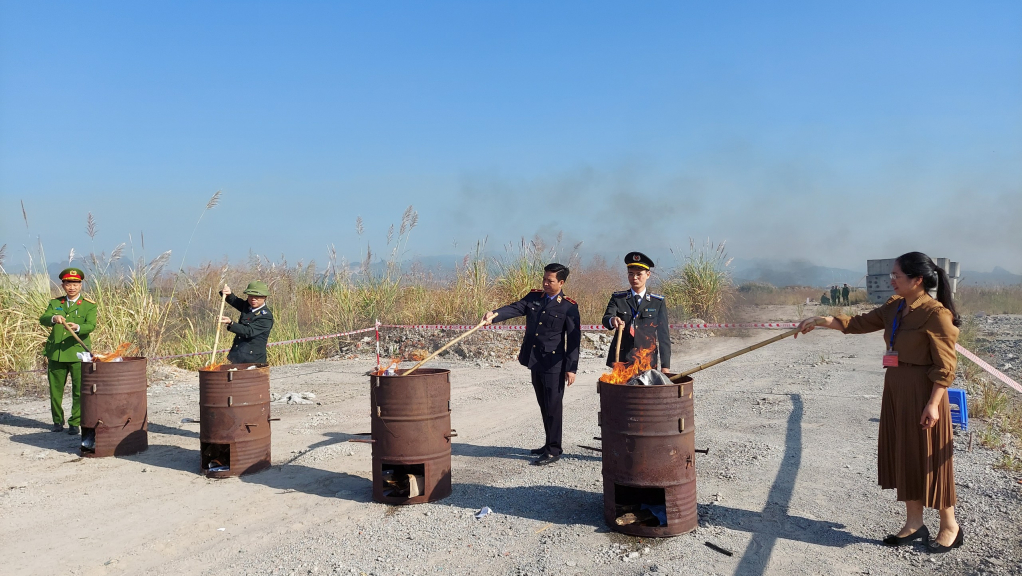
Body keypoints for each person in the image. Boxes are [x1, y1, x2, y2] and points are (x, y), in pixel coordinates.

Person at [796, 252, 963, 552]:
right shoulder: (894, 307)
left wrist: (934, 404)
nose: (891, 280)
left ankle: (950, 526)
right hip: (896, 389)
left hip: (924, 393)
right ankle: (914, 523)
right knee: (905, 453)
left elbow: (945, 366)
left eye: (897, 275)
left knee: (931, 459)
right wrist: (821, 321)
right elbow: (857, 323)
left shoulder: (936, 314)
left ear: (917, 280)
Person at [482, 263, 581, 466]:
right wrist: (495, 314)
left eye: (550, 280)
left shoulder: (568, 306)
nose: (545, 283)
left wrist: (572, 368)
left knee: (553, 406)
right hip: (535, 359)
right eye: (544, 279)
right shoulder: (534, 297)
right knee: (543, 404)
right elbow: (515, 308)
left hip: (554, 363)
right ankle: (548, 443)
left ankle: (554, 450)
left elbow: (574, 340)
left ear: (561, 282)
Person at [38, 268, 97, 434]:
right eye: (68, 283)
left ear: (81, 285)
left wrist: (78, 327)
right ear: (63, 285)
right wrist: (53, 318)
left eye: (75, 283)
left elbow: (91, 325)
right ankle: (57, 421)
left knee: (79, 390)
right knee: (55, 391)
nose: (72, 287)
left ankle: (74, 422)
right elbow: (43, 319)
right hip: (56, 353)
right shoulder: (56, 303)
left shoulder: (88, 305)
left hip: (78, 353)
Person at [602, 252, 671, 372]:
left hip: (647, 360)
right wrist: (612, 320)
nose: (634, 278)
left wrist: (665, 366)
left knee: (645, 391)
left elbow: (663, 336)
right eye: (631, 274)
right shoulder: (618, 298)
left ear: (648, 275)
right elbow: (606, 318)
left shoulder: (657, 302)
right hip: (622, 360)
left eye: (639, 274)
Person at [219, 281, 274, 364]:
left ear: (264, 297)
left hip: (253, 360)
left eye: (257, 296)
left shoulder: (266, 316)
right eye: (250, 296)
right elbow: (236, 301)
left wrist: (231, 323)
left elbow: (248, 331)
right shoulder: (248, 306)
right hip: (238, 357)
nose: (253, 299)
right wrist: (228, 294)